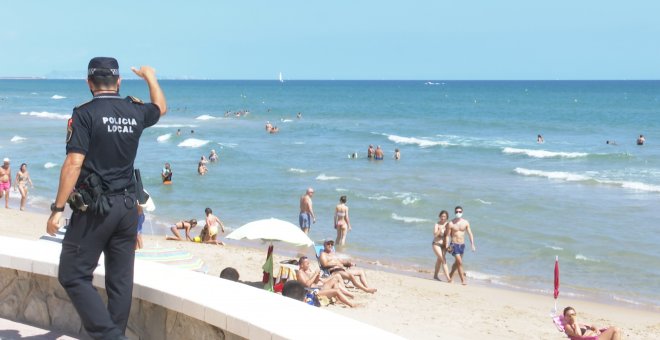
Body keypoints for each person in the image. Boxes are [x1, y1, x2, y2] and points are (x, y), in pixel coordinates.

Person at [45, 57, 166, 340]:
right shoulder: (135, 110)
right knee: (120, 284)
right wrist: (150, 77)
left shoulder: (85, 114)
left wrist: (57, 208)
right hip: (127, 209)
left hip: (96, 209)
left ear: (89, 83)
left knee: (73, 274)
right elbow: (160, 108)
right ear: (119, 81)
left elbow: (74, 162)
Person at [446, 206, 476, 285]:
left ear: (462, 212)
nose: (458, 213)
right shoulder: (451, 223)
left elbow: (470, 233)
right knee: (460, 262)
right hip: (454, 244)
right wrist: (446, 244)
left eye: (459, 211)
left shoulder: (465, 222)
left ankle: (450, 276)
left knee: (456, 263)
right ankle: (463, 280)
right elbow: (447, 235)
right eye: (456, 211)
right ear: (454, 212)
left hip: (462, 245)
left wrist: (472, 244)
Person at [432, 210, 450, 281]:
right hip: (436, 244)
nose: (443, 218)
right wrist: (441, 229)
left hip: (444, 245)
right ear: (439, 216)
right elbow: (435, 234)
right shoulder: (437, 224)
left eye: (444, 216)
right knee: (443, 259)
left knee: (439, 260)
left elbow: (448, 235)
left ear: (447, 217)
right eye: (442, 216)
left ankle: (435, 276)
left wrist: (448, 245)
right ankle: (448, 278)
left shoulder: (448, 224)